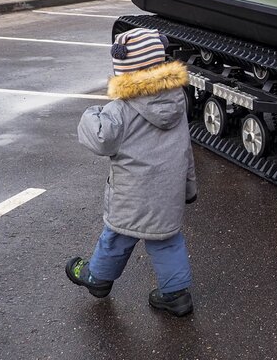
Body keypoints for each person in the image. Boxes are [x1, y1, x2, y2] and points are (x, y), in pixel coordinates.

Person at [66, 28, 198, 317]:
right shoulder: (177, 100)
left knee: (116, 237)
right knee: (167, 241)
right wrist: (189, 187)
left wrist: (90, 115)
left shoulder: (119, 110)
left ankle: (97, 278)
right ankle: (176, 296)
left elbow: (100, 140)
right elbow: (185, 148)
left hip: (131, 195)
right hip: (167, 195)